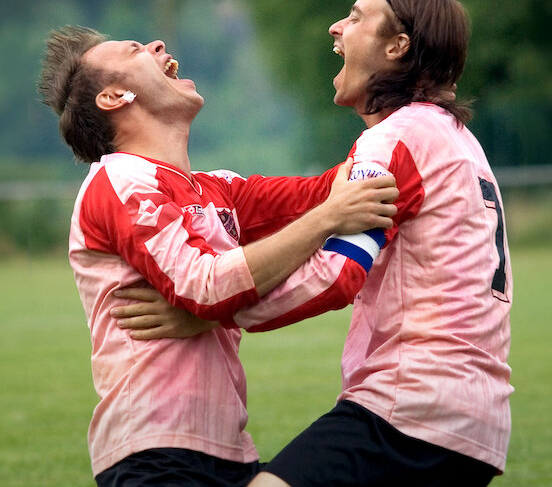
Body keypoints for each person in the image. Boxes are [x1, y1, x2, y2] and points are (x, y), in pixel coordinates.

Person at [117, 0, 513, 486]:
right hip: (477, 420)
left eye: (356, 17)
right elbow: (313, 202)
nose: (336, 27)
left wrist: (213, 314)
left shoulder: (397, 138)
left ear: (397, 46)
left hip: (412, 407)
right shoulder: (458, 139)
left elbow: (338, 272)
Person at [37, 25, 399, 486]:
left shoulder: (217, 189)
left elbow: (330, 190)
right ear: (113, 97)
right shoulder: (119, 180)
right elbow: (202, 288)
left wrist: (398, 111)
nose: (157, 45)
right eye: (135, 49)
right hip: (154, 456)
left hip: (229, 451)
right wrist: (328, 218)